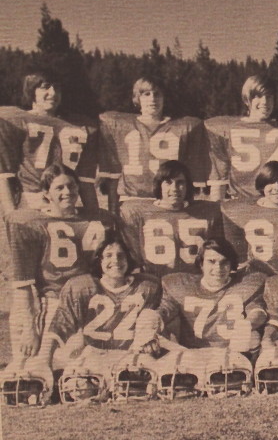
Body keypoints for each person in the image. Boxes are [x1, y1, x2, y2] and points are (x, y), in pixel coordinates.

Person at [1, 164, 118, 361]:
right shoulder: (28, 223)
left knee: (78, 371)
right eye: (60, 188)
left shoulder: (97, 220)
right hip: (49, 301)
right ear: (46, 193)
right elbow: (23, 283)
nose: (68, 192)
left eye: (72, 186)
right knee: (29, 372)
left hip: (86, 302)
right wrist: (31, 326)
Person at [39, 235, 161, 371]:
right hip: (93, 356)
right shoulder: (82, 286)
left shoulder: (147, 286)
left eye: (121, 255)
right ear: (99, 260)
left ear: (128, 259)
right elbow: (60, 325)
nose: (115, 260)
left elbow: (160, 320)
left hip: (130, 358)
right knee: (79, 388)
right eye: (108, 255)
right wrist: (44, 361)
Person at [96, 76, 206, 213]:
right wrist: (113, 212)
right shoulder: (120, 126)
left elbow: (188, 180)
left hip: (169, 202)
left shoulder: (184, 127)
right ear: (137, 98)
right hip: (132, 200)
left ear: (164, 98)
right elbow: (113, 177)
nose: (153, 98)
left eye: (157, 94)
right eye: (146, 94)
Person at [0, 73, 100, 210]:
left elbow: (85, 181)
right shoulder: (16, 121)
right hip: (33, 199)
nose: (52, 93)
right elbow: (4, 176)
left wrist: (95, 216)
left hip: (67, 198)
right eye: (45, 87)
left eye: (57, 88)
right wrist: (11, 214)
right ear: (31, 91)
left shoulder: (81, 125)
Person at [205, 75, 278, 200]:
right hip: (240, 204)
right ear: (247, 99)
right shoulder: (227, 129)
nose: (265, 102)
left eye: (269, 96)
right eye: (258, 96)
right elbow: (218, 182)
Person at [151, 237, 266, 351]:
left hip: (232, 354)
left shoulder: (245, 284)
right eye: (211, 261)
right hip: (191, 354)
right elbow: (164, 310)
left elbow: (257, 311)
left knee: (253, 338)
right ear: (201, 264)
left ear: (231, 265)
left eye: (224, 262)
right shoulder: (182, 286)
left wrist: (246, 325)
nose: (218, 268)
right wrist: (152, 322)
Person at [119, 160, 223, 278]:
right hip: (156, 281)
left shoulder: (207, 211)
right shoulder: (136, 212)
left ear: (187, 185)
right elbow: (134, 257)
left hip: (194, 282)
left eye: (180, 182)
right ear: (159, 185)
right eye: (168, 182)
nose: (175, 188)